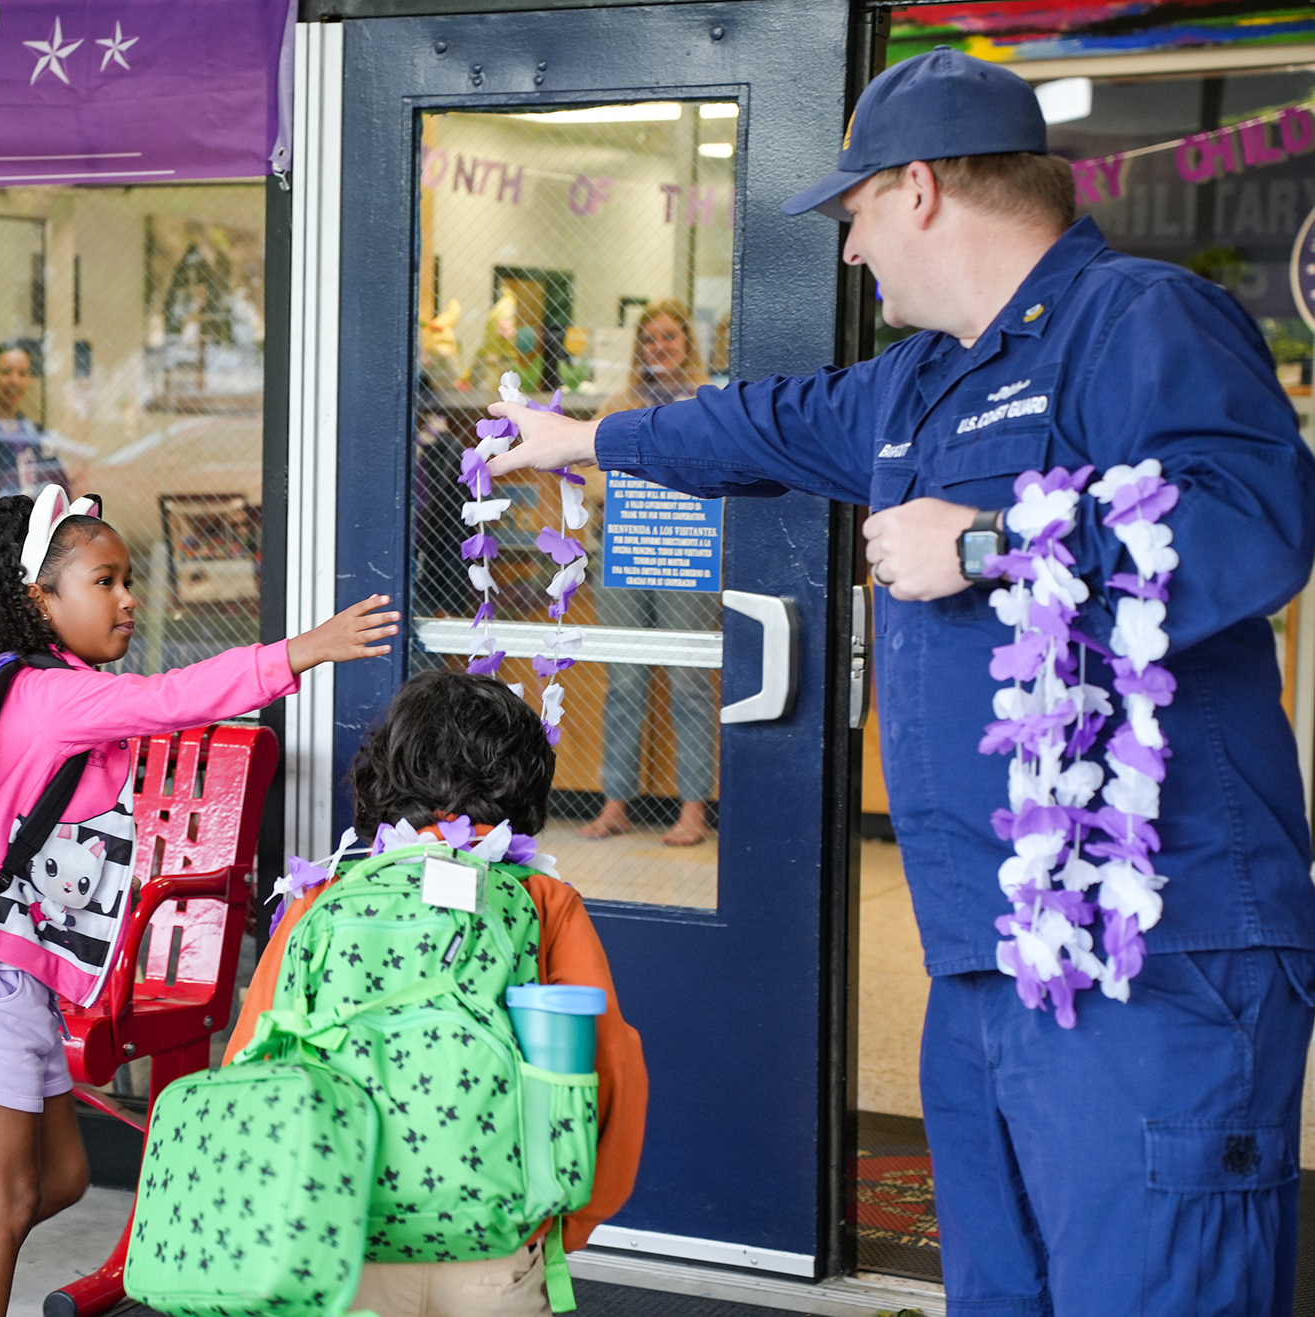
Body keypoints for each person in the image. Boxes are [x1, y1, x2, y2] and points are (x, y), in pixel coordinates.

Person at [486, 47, 1315, 1317]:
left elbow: (1250, 522)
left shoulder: (1140, 318)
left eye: (854, 214)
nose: (850, 251)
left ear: (919, 187)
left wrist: (984, 543)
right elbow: (755, 424)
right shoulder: (920, 380)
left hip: (1155, 955)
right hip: (983, 958)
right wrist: (583, 441)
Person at [0, 490, 400, 1317]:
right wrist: (304, 650)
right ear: (38, 598)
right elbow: (173, 698)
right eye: (104, 581)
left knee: (59, 1182)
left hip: (12, 979)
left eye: (128, 580)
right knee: (8, 1205)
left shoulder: (32, 687)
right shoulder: (51, 697)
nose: (126, 599)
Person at [226, 669, 647, 1317]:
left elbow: (249, 1065)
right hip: (493, 1242)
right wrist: (566, 1220)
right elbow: (608, 1067)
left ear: (382, 776)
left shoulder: (322, 899)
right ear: (526, 780)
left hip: (342, 1243)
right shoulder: (541, 902)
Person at [584, 300, 721, 844]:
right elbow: (593, 481)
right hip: (622, 552)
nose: (658, 348)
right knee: (625, 681)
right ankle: (615, 802)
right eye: (649, 340)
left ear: (688, 344)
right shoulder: (619, 405)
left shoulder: (707, 407)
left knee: (689, 680)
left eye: (668, 338)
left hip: (686, 556)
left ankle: (692, 809)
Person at [0, 342, 68, 499]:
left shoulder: (38, 434)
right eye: (6, 372)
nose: (15, 381)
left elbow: (61, 488)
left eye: (22, 373)